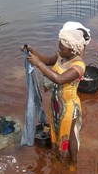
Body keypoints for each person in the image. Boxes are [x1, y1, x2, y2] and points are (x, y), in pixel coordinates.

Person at [23, 28, 86, 164]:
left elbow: (60, 79)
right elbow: (46, 59)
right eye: (60, 47)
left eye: (63, 48)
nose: (60, 50)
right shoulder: (61, 56)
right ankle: (59, 156)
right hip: (56, 104)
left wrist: (38, 64)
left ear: (72, 49)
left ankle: (73, 163)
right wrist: (33, 51)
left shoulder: (79, 66)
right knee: (57, 131)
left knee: (69, 135)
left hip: (69, 106)